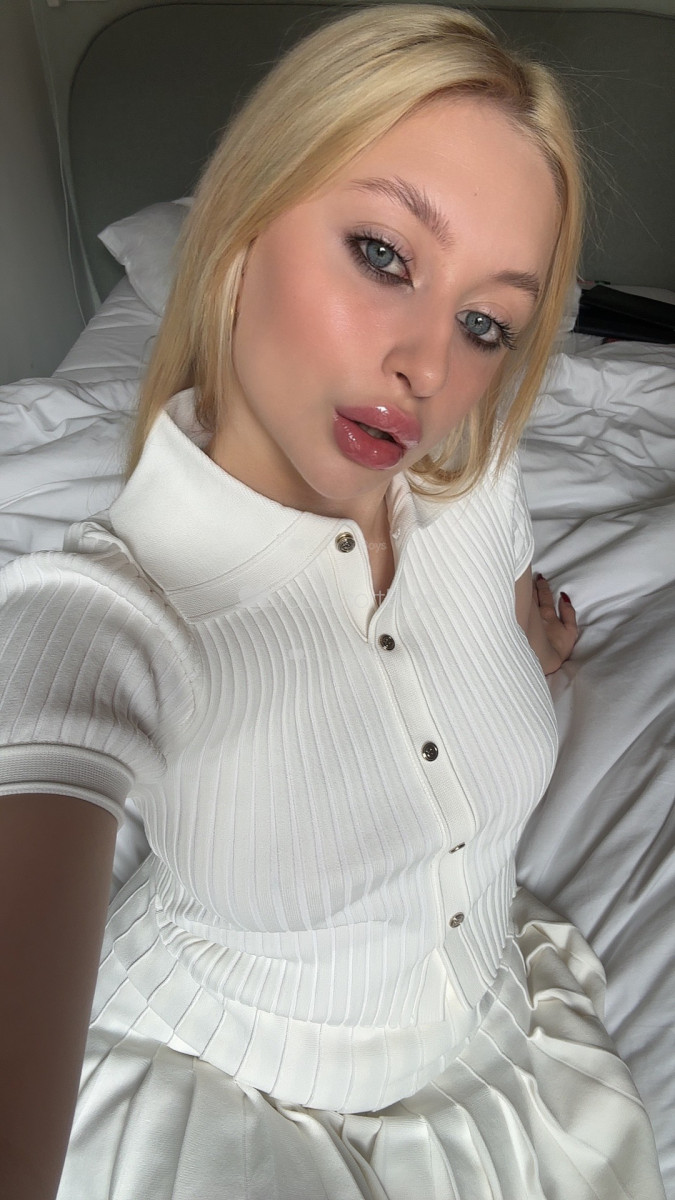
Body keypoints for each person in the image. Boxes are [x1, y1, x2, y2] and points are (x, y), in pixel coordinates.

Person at [0, 6, 666, 1199]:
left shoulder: (477, 483)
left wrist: (524, 657)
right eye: (383, 255)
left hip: (501, 1060)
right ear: (243, 225)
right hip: (221, 1103)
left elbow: (445, 648)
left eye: (484, 323)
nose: (429, 368)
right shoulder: (101, 615)